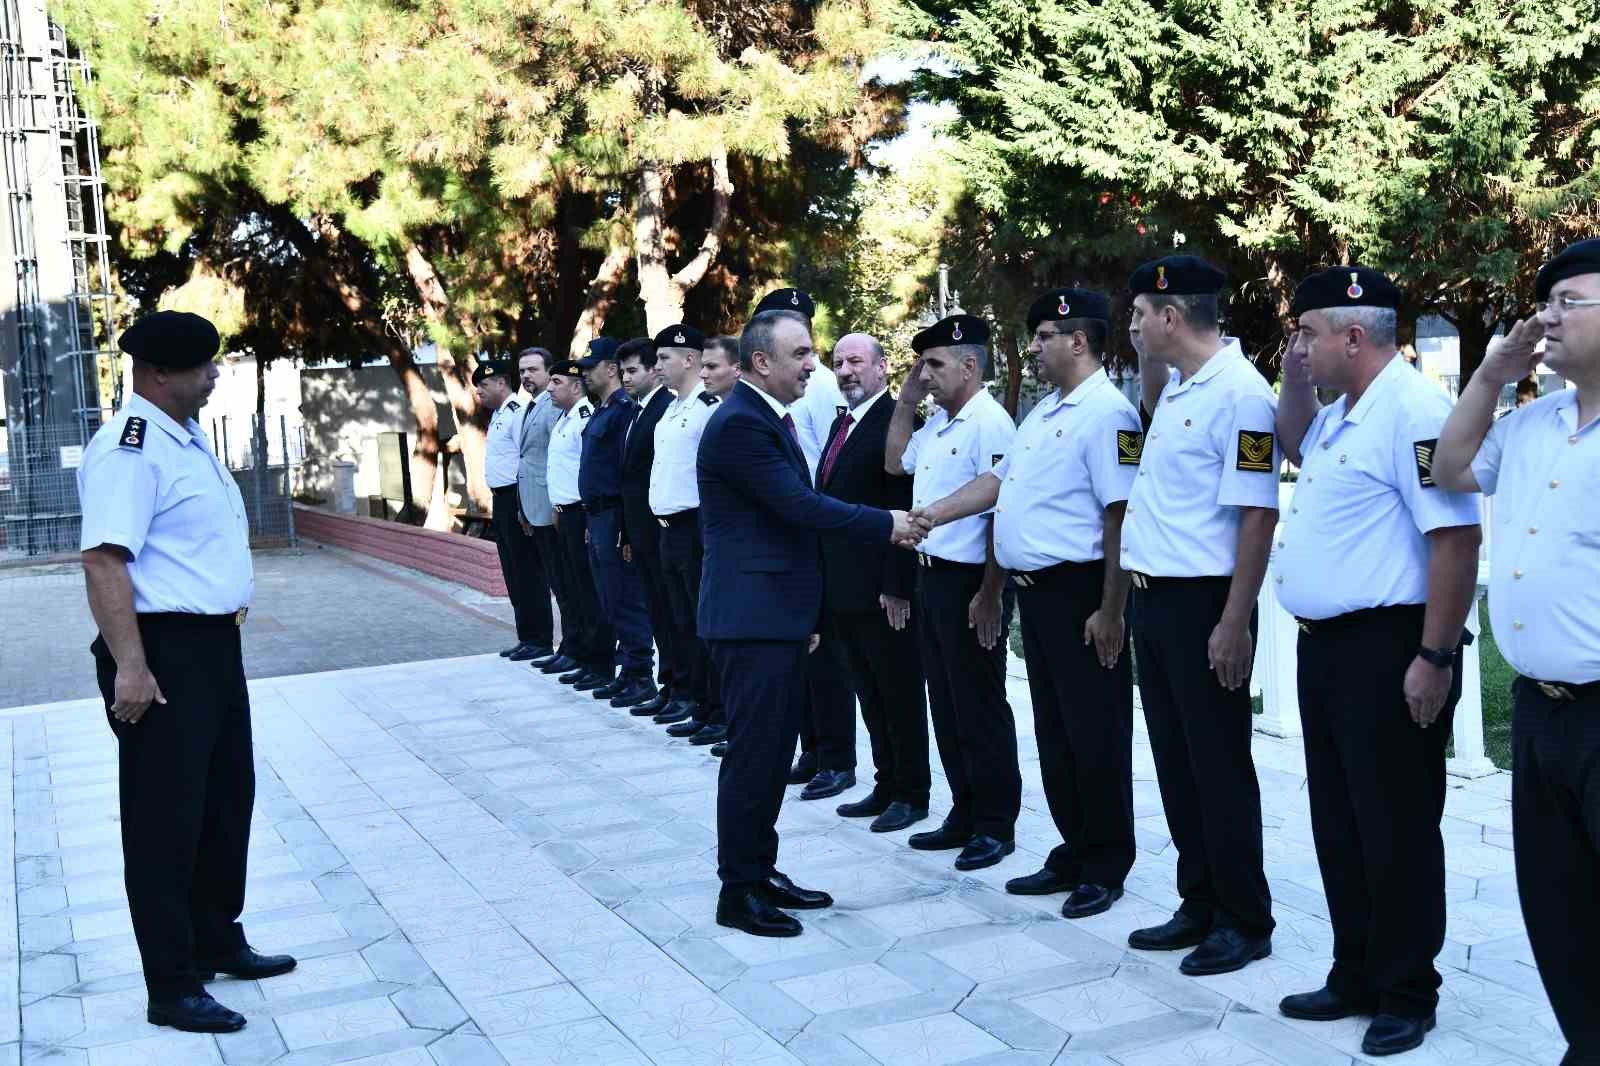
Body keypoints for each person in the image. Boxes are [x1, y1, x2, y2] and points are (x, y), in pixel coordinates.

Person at [1273, 267, 1481, 1057]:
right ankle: (1354, 970)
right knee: (1341, 822)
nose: (1298, 346)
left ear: (1353, 338)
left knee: (1394, 825)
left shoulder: (1416, 412)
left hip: (1388, 650)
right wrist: (1295, 379)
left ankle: (1405, 990)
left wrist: (1436, 654)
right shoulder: (1344, 414)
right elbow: (1293, 442)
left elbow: (1456, 539)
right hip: (1327, 652)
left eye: (1307, 335)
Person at [77, 310, 295, 1034]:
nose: (213, 374)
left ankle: (215, 936)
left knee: (226, 799)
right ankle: (171, 984)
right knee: (165, 819)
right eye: (203, 365)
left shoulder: (186, 439)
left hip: (212, 648)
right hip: (162, 653)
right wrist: (130, 668)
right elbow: (106, 559)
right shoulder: (131, 449)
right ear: (159, 373)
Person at [915, 288, 1140, 918]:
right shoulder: (1045, 414)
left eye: (1044, 336)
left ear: (1078, 340)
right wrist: (931, 514)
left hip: (1081, 595)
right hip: (1037, 598)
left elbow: (1118, 514)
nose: (1035, 347)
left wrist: (1111, 609)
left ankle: (1105, 862)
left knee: (1096, 732)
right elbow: (997, 485)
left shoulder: (1109, 415)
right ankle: (1074, 847)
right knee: (1057, 731)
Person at [698, 307, 921, 937]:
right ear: (762, 361)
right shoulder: (742, 424)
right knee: (754, 755)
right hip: (751, 617)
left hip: (775, 614)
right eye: (800, 353)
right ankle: (739, 890)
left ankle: (759, 871)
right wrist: (888, 524)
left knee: (769, 756)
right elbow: (798, 506)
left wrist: (809, 614)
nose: (813, 364)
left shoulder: (767, 418)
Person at [1433, 238, 1600, 1066]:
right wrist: (1492, 375)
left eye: (1571, 300)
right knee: (1558, 905)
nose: (1550, 317)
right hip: (1539, 710)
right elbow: (1452, 467)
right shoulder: (1532, 423)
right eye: (1546, 303)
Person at [1121, 255, 1278, 976]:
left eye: (1138, 316)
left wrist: (1233, 620)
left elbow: (1255, 516)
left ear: (1171, 317)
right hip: (1154, 602)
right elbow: (1151, 405)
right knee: (1178, 766)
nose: (1132, 327)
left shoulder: (1241, 393)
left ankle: (1244, 920)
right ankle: (1199, 901)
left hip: (1202, 605)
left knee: (1217, 768)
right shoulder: (1185, 387)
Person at [884, 313, 1022, 872]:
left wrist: (991, 591)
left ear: (970, 365)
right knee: (945, 702)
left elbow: (999, 510)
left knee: (980, 704)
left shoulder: (989, 423)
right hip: (931, 575)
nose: (926, 373)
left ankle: (995, 823)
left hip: (971, 583)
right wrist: (905, 400)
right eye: (922, 364)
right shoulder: (940, 424)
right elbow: (895, 462)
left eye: (935, 364)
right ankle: (964, 811)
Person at [818, 333, 929, 832]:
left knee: (899, 692)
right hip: (844, 586)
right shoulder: (844, 422)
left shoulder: (895, 425)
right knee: (869, 691)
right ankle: (886, 783)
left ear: (883, 368)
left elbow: (906, 510)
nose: (846, 371)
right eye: (839, 362)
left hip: (883, 590)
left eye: (856, 362)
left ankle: (912, 792)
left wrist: (897, 585)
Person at [750, 289, 858, 797]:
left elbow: (828, 453)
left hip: (818, 525)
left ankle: (837, 756)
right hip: (795, 525)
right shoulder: (765, 396)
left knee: (827, 653)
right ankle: (811, 746)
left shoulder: (820, 384)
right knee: (804, 651)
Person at [649, 325, 724, 739]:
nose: (657, 366)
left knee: (704, 621)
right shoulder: (672, 408)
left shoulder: (706, 406)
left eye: (663, 358)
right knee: (681, 620)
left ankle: (720, 710)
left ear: (689, 359)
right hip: (668, 527)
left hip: (695, 526)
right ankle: (699, 701)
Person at [578, 338, 657, 707]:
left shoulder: (623, 410)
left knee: (625, 598)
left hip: (614, 513)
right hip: (598, 515)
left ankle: (640, 673)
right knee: (610, 597)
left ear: (609, 369)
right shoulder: (603, 409)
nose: (583, 374)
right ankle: (627, 670)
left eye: (590, 367)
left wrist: (623, 525)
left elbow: (627, 473)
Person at [617, 336, 682, 714]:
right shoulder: (640, 409)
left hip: (662, 528)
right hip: (642, 529)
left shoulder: (664, 408)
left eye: (632, 370)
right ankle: (670, 685)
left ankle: (683, 688)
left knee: (675, 616)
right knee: (659, 612)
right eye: (623, 371)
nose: (626, 378)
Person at [544, 353, 615, 690]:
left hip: (582, 513)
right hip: (565, 514)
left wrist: (586, 517)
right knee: (574, 589)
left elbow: (591, 471)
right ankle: (584, 656)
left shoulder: (584, 415)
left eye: (556, 382)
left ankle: (600, 663)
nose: (549, 388)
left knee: (590, 592)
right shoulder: (564, 418)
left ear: (575, 385)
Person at [475, 359, 554, 662]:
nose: (479, 392)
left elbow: (528, 458)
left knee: (528, 570)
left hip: (517, 497)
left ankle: (540, 639)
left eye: (483, 385)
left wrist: (523, 503)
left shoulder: (517, 412)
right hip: (500, 499)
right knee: (513, 572)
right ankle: (527, 637)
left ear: (500, 383)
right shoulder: (498, 415)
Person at [514, 347, 580, 675]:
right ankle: (567, 644)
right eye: (522, 370)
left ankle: (573, 645)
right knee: (556, 580)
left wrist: (554, 502)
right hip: (534, 503)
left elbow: (558, 458)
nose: (527, 376)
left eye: (533, 370)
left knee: (566, 582)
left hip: (554, 504)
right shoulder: (532, 406)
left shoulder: (554, 408)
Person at [700, 335, 743, 400]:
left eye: (711, 367)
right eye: (703, 366)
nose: (702, 374)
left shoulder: (750, 408)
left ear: (737, 370)